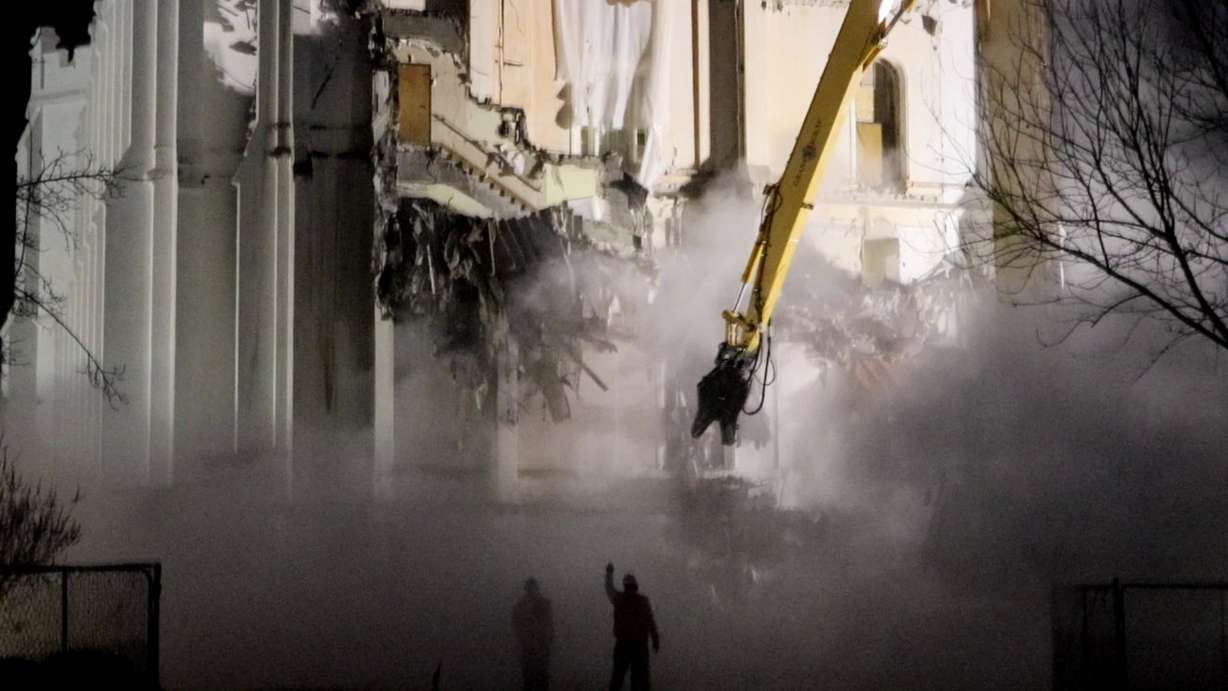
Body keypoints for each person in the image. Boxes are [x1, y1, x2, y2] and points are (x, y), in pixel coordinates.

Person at [604, 562, 660, 691]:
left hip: (631, 645)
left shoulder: (622, 599)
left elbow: (609, 589)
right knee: (631, 679)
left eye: (630, 586)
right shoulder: (638, 601)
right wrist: (655, 638)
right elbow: (650, 621)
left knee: (628, 678)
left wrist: (609, 573)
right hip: (633, 645)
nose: (629, 589)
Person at [512, 577, 554, 691]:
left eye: (533, 588)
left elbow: (549, 624)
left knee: (541, 677)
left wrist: (548, 638)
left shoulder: (544, 603)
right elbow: (516, 625)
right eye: (530, 588)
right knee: (529, 678)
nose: (531, 591)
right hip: (529, 647)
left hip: (541, 646)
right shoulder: (520, 606)